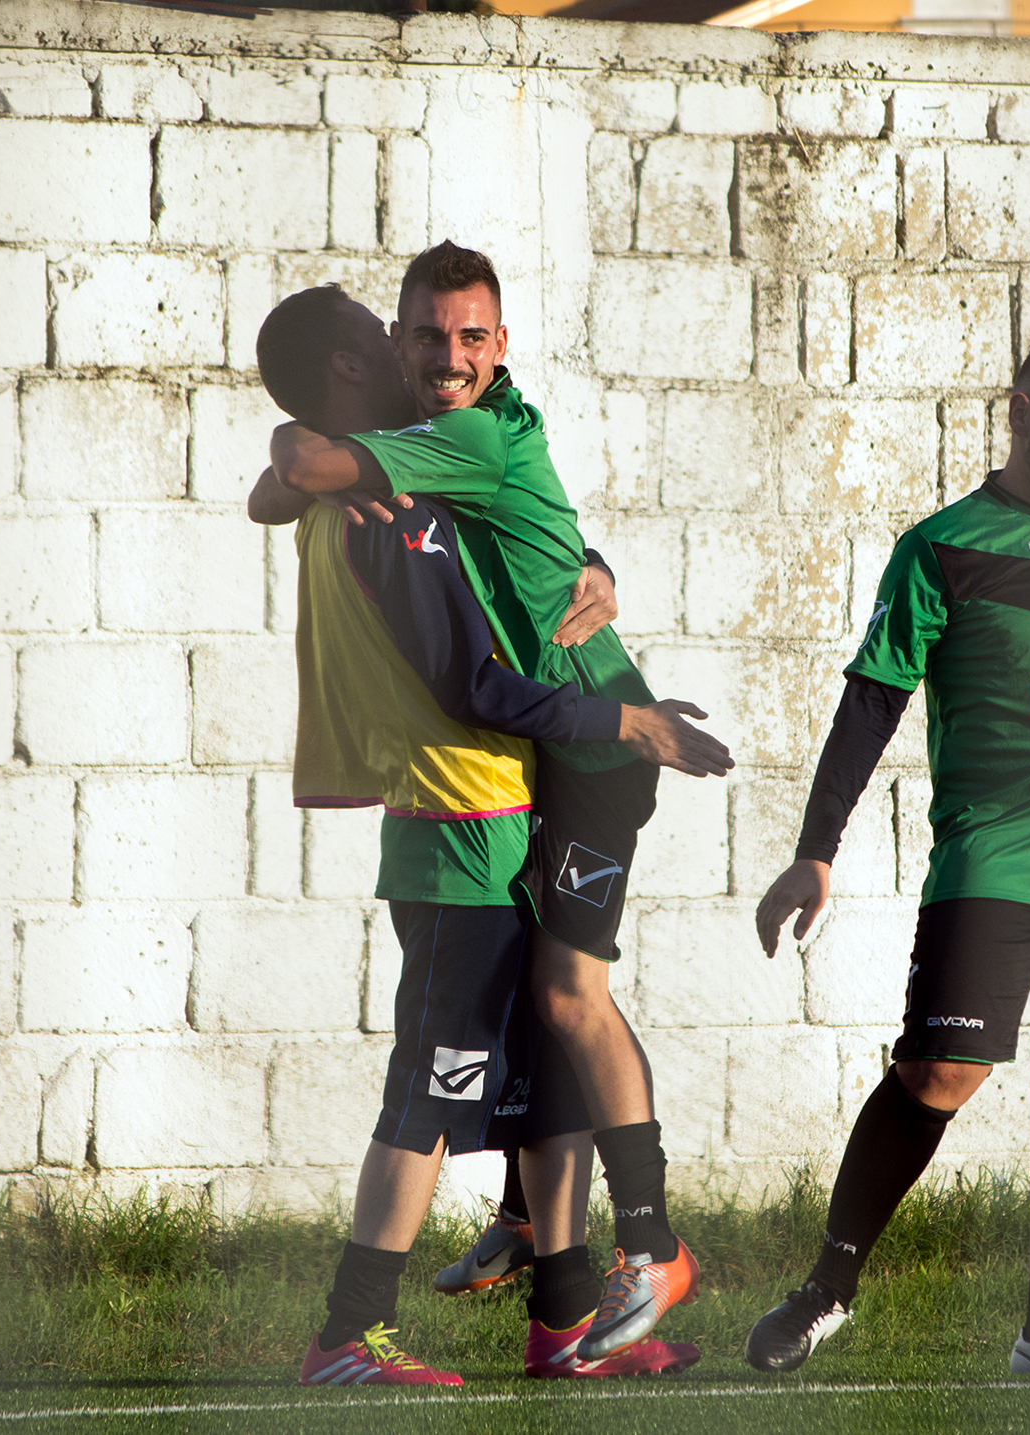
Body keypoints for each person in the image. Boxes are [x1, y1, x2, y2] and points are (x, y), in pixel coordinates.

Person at [250, 284, 718, 1384]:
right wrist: (623, 719)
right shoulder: (389, 511)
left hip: (497, 823)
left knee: (545, 1076)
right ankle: (346, 1333)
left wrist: (589, 562)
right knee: (432, 1092)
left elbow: (500, 528)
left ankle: (560, 1322)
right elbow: (474, 684)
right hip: (458, 827)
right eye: (391, 332)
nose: (417, 349)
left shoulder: (401, 479)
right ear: (356, 366)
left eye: (452, 336)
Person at [747, 327, 1030, 1379]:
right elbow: (871, 700)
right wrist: (817, 849)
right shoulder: (942, 546)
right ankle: (828, 1289)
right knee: (941, 1071)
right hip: (998, 867)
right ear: (1022, 414)